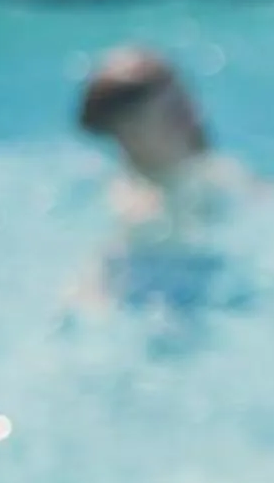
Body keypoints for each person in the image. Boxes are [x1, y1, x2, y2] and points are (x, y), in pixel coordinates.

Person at [73, 46, 250, 316]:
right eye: (176, 115)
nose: (197, 120)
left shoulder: (213, 171)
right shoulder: (143, 214)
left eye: (189, 103)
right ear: (130, 135)